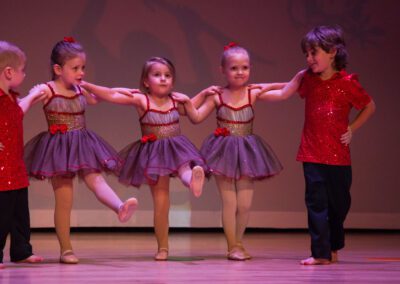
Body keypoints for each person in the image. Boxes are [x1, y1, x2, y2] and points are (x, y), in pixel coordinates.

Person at [259, 25, 376, 265]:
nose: (309, 59)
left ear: (332, 52)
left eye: (314, 53)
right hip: (312, 153)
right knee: (316, 204)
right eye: (307, 54)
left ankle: (332, 246)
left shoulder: (347, 83)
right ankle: (320, 253)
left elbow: (369, 106)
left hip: (339, 156)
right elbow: (283, 91)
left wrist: (351, 129)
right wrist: (253, 91)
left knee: (339, 205)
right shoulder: (306, 78)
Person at [175, 43, 302, 261]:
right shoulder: (217, 96)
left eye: (244, 67)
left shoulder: (253, 92)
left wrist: (301, 76)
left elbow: (282, 93)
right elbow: (195, 117)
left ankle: (240, 242)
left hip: (247, 151)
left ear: (250, 68)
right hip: (222, 151)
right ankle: (232, 246)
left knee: (244, 204)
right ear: (222, 70)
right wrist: (192, 98)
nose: (240, 72)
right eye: (234, 68)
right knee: (230, 203)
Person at [81, 56, 210, 261]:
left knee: (185, 167)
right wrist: (86, 84)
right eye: (157, 75)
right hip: (154, 155)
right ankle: (163, 247)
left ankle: (193, 182)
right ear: (145, 81)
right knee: (162, 202)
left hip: (176, 148)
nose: (163, 79)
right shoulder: (142, 100)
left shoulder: (176, 100)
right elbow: (113, 94)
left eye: (168, 76)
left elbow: (193, 112)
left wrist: (201, 95)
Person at [24, 37, 138, 264]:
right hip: (58, 149)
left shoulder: (80, 89)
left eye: (83, 67)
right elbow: (24, 105)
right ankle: (66, 249)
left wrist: (123, 90)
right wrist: (27, 97)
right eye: (75, 68)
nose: (81, 72)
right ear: (58, 69)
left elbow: (100, 96)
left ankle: (120, 207)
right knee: (64, 200)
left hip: (83, 144)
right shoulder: (48, 90)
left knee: (97, 180)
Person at [0, 41, 46, 269]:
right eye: (22, 70)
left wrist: (32, 96)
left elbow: (17, 112)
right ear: (9, 72)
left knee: (20, 212)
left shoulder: (10, 97)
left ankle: (21, 250)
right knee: (2, 214)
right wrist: (33, 95)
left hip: (15, 166)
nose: (24, 73)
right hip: (1, 168)